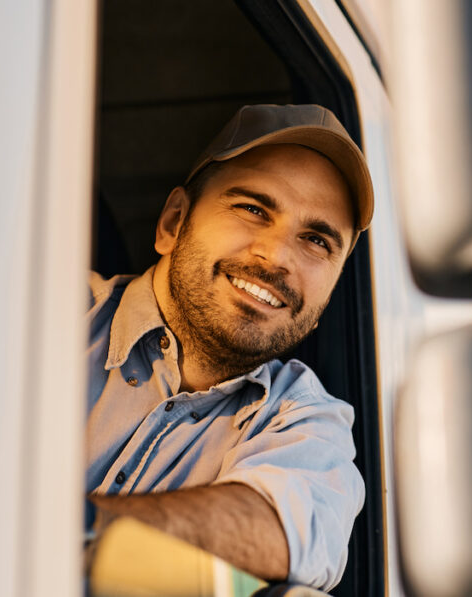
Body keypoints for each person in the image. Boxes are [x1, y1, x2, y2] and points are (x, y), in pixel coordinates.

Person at [85, 104, 373, 591]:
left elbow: (284, 532)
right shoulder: (42, 310)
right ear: (173, 223)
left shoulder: (305, 421)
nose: (278, 256)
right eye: (254, 209)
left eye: (317, 240)